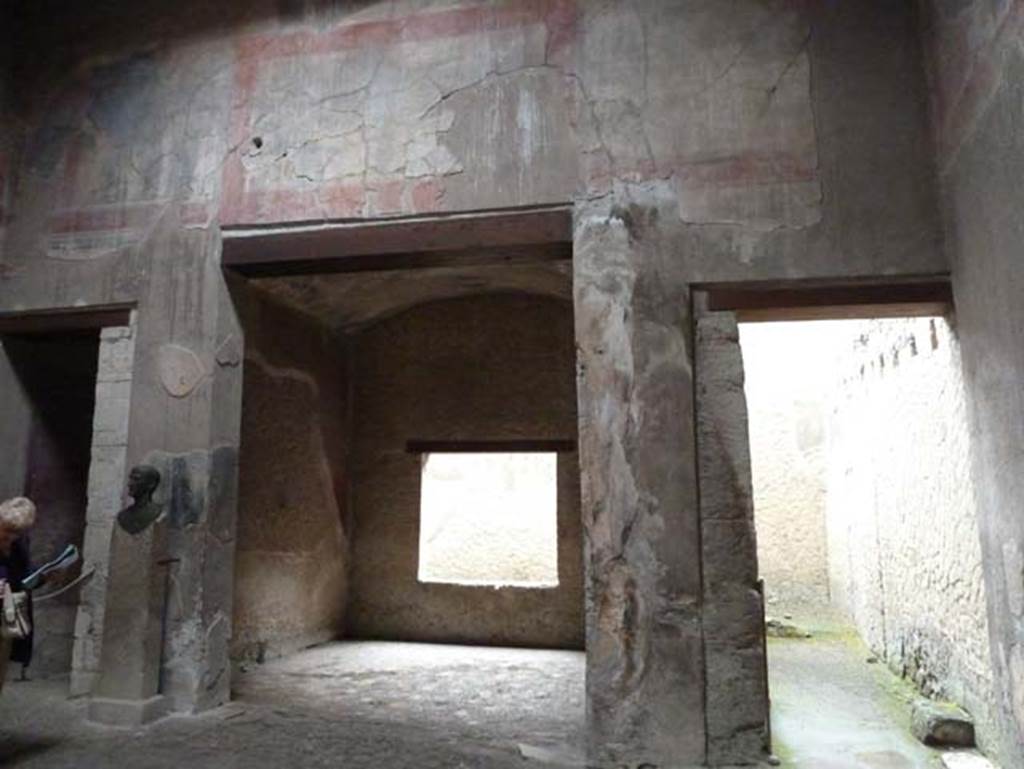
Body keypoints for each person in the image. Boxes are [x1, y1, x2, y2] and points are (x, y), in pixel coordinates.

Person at [0, 496, 37, 695]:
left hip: (7, 613)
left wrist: (44, 576)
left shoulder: (19, 542)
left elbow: (25, 574)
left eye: (17, 534)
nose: (11, 538)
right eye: (8, 532)